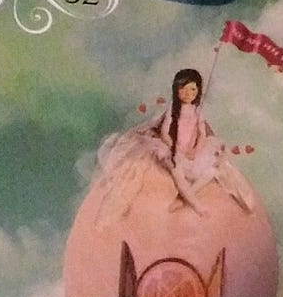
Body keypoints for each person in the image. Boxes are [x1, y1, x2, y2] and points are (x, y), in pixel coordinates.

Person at [92, 67, 252, 222]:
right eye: (183, 89)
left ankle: (183, 198)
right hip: (174, 149)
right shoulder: (173, 109)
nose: (188, 93)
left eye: (192, 89)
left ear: (198, 91)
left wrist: (195, 150)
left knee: (212, 172)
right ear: (176, 89)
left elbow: (202, 134)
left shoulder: (197, 112)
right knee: (176, 171)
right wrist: (175, 148)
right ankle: (196, 205)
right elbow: (164, 131)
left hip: (192, 150)